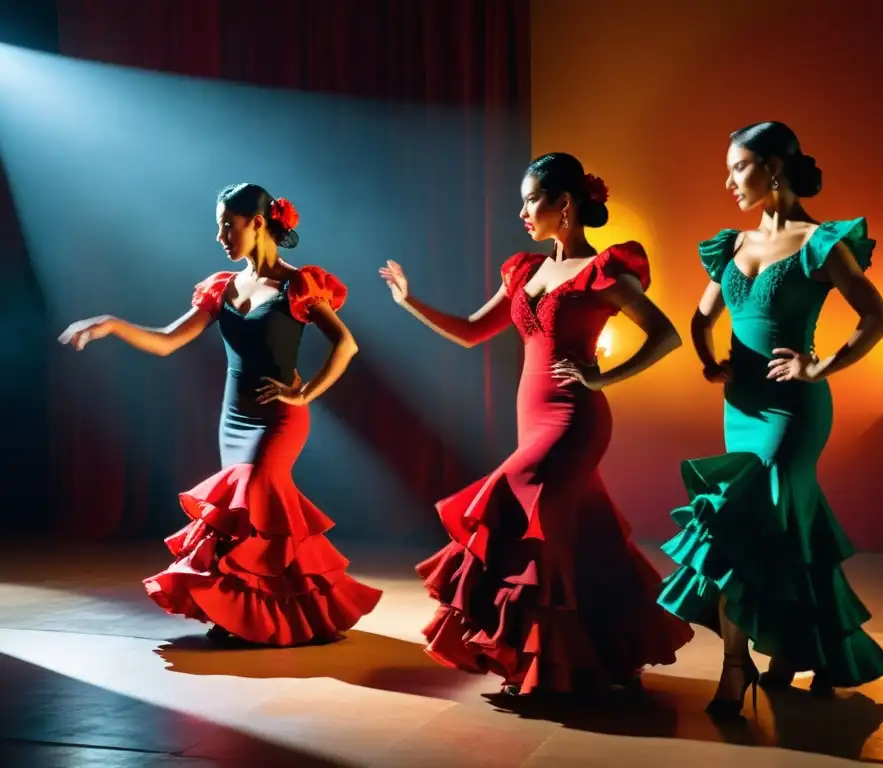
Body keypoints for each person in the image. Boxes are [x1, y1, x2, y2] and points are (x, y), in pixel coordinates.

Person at [379, 153, 693, 697]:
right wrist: (410, 303)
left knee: (519, 519)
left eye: (531, 198)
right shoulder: (525, 270)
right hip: (532, 417)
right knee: (581, 539)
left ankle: (536, 670)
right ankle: (607, 656)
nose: (522, 210)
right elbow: (473, 331)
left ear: (564, 204)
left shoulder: (603, 273)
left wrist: (603, 379)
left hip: (574, 420)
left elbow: (666, 336)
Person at [59, 183, 382, 645]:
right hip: (233, 417)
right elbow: (168, 340)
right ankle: (245, 615)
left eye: (227, 226)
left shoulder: (299, 284)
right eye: (219, 227)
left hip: (279, 418)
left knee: (259, 488)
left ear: (257, 223)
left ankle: (274, 615)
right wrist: (109, 324)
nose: (220, 237)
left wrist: (304, 393)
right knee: (242, 518)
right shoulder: (221, 287)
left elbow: (345, 344)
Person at [657, 122, 883, 719]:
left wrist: (818, 367)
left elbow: (878, 318)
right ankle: (793, 648)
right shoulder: (733, 245)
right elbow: (702, 316)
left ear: (772, 168)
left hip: (793, 412)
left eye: (738, 167)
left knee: (742, 524)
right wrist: (711, 363)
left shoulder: (820, 243)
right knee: (779, 535)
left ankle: (736, 669)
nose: (729, 180)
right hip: (741, 408)